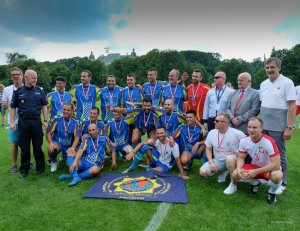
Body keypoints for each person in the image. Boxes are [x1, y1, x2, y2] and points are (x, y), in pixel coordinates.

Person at [259, 57, 296, 191]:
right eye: (267, 68)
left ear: (279, 68)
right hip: (263, 125)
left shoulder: (287, 82)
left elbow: (292, 106)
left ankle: (282, 181)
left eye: (272, 67)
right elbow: (263, 105)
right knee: (264, 151)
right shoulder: (263, 84)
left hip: (278, 125)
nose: (269, 70)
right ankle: (266, 176)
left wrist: (289, 127)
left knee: (279, 154)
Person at [231, 117, 283, 205]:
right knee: (235, 174)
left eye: (254, 127)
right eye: (249, 127)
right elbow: (241, 157)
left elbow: (276, 164)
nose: (251, 130)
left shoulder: (268, 141)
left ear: (261, 129)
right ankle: (255, 183)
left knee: (277, 176)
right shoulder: (244, 140)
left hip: (269, 169)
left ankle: (272, 192)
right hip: (255, 167)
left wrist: (255, 172)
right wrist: (239, 168)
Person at [10, 69, 48, 177]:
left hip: (36, 122)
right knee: (24, 148)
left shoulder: (40, 91)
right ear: (26, 77)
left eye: (36, 78)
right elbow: (12, 107)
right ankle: (24, 171)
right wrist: (12, 122)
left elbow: (44, 106)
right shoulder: (18, 91)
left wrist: (45, 120)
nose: (35, 80)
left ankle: (40, 170)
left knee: (37, 147)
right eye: (33, 78)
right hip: (23, 123)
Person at [199, 113, 245, 192]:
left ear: (225, 123)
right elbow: (208, 149)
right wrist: (211, 162)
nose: (214, 122)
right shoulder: (212, 133)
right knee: (203, 172)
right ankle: (222, 172)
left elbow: (247, 143)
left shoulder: (237, 133)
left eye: (217, 121)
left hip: (233, 160)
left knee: (229, 158)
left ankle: (233, 184)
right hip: (218, 160)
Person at [123, 127, 189, 180]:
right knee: (144, 146)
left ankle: (149, 167)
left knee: (150, 172)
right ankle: (132, 166)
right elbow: (142, 143)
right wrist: (132, 152)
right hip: (158, 160)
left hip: (165, 165)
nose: (160, 135)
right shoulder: (157, 141)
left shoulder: (173, 145)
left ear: (165, 133)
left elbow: (177, 160)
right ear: (156, 134)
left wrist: (182, 174)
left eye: (161, 133)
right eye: (158, 133)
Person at [46, 103, 81, 172]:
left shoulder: (76, 122)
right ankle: (53, 161)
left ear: (72, 110)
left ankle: (65, 157)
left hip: (69, 146)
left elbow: (77, 136)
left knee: (70, 165)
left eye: (68, 110)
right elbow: (48, 132)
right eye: (64, 109)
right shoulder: (56, 119)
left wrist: (73, 147)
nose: (65, 111)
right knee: (52, 148)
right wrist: (50, 143)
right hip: (58, 143)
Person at [2, 67, 23, 173]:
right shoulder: (7, 90)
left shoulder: (27, 88)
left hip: (25, 121)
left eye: (17, 74)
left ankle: (26, 161)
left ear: (22, 76)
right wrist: (5, 106)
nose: (15, 76)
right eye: (13, 74)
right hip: (13, 122)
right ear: (11, 77)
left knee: (25, 143)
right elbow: (4, 106)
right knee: (14, 143)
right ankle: (14, 165)